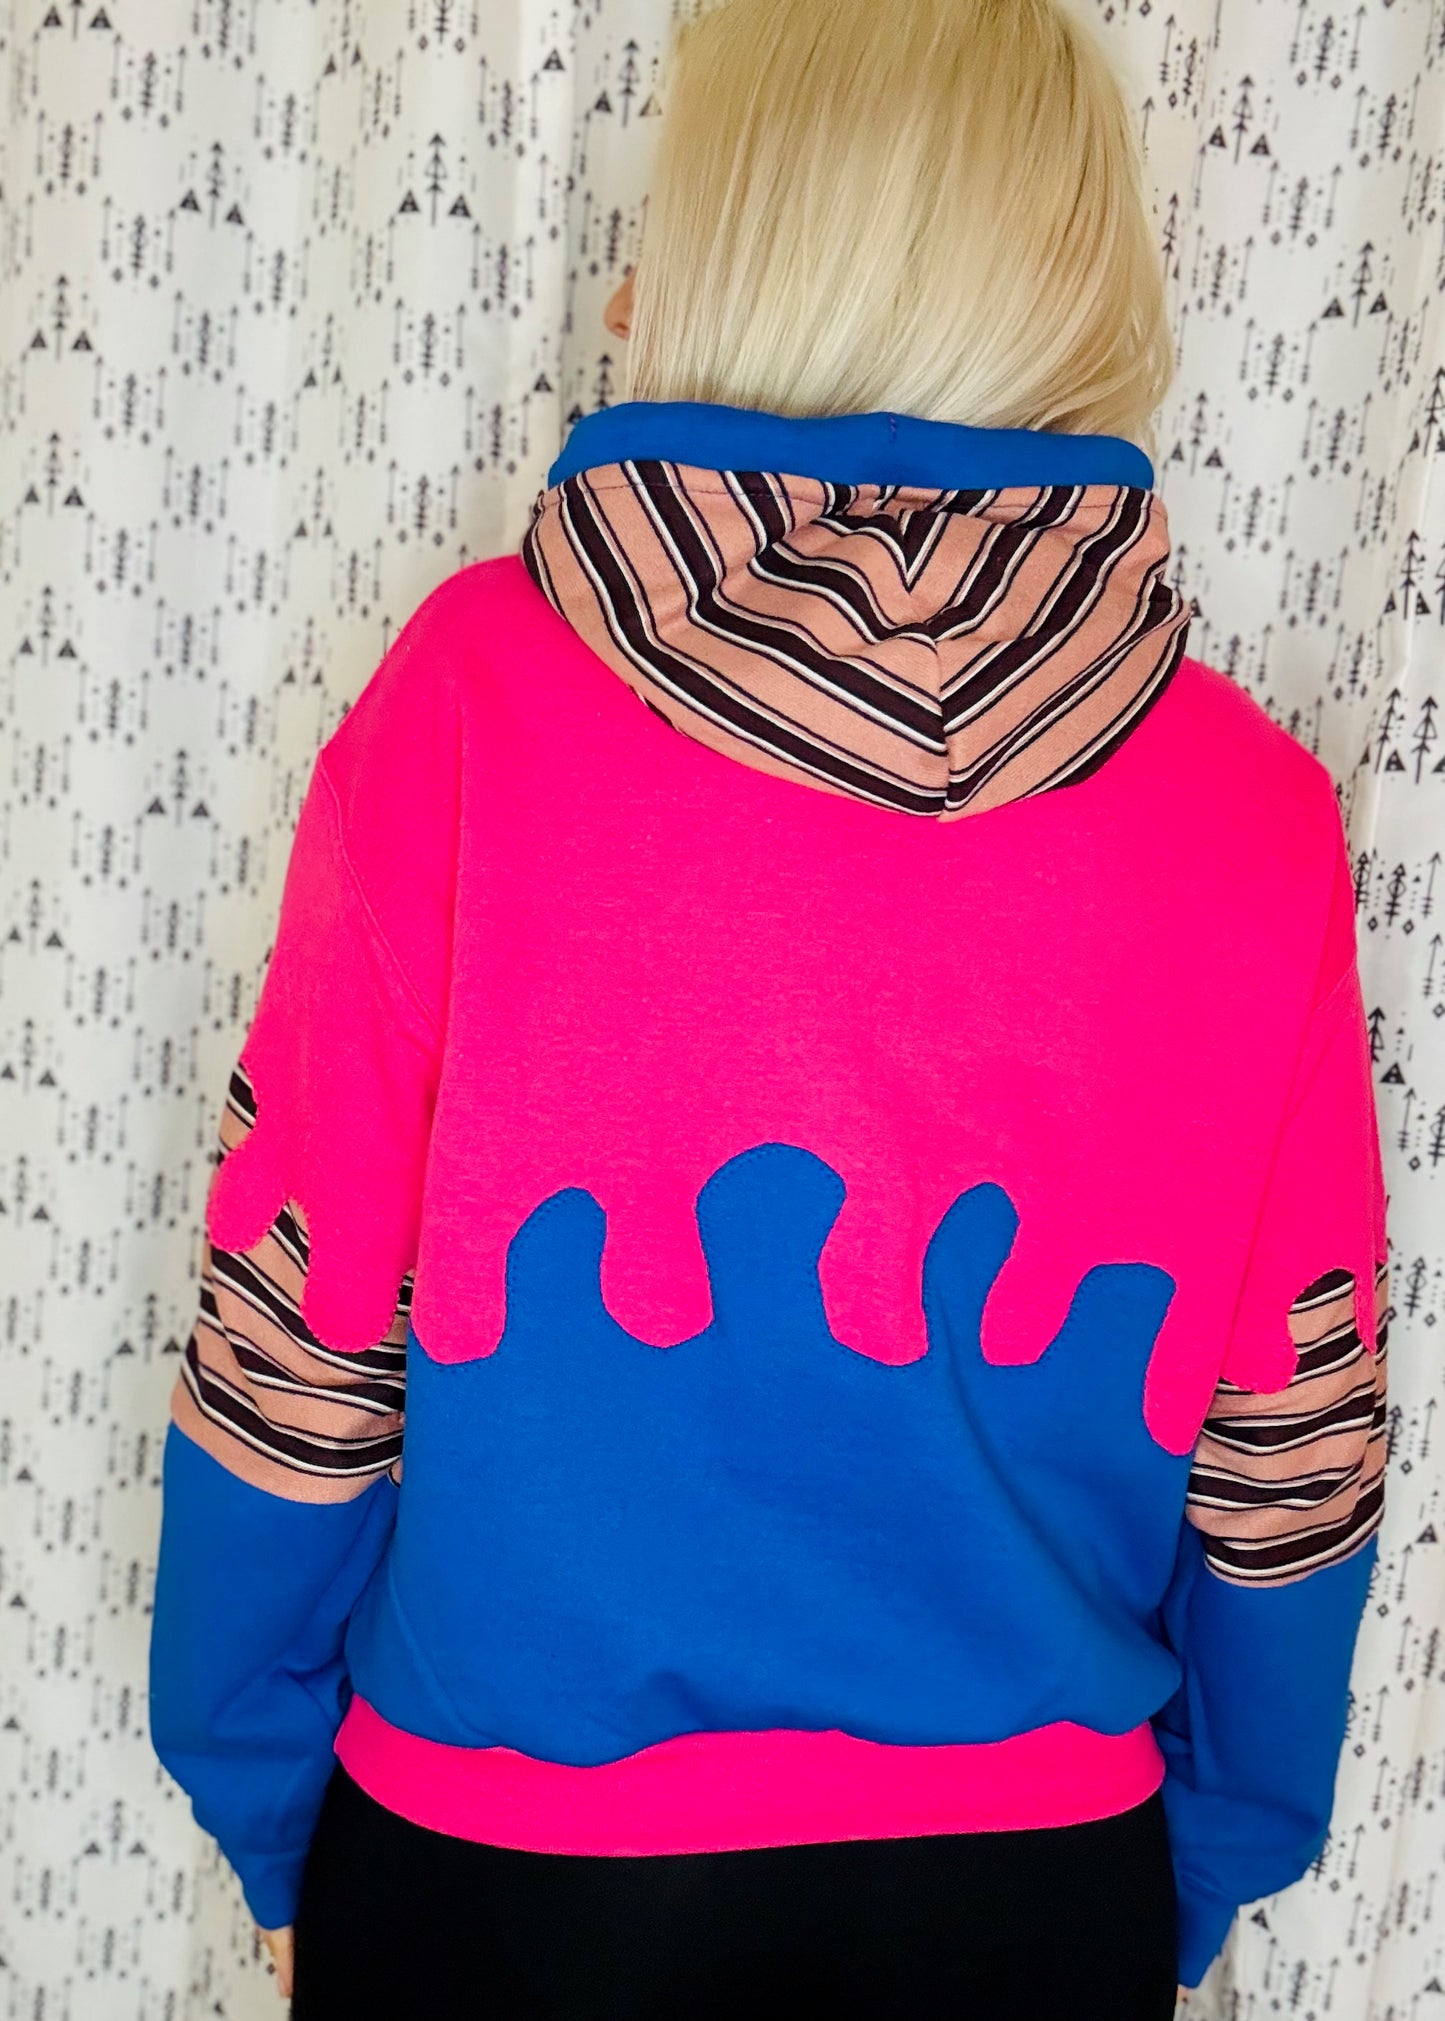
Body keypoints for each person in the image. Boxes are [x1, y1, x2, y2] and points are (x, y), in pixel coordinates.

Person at [147, 0, 1390, 2014]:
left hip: (498, 1878)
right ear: (1077, 274)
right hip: (1030, 1885)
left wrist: (258, 1782)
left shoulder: (468, 703)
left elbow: (297, 1322)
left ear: (732, 236)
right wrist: (1208, 1855)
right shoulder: (1255, 819)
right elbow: (1292, 1437)